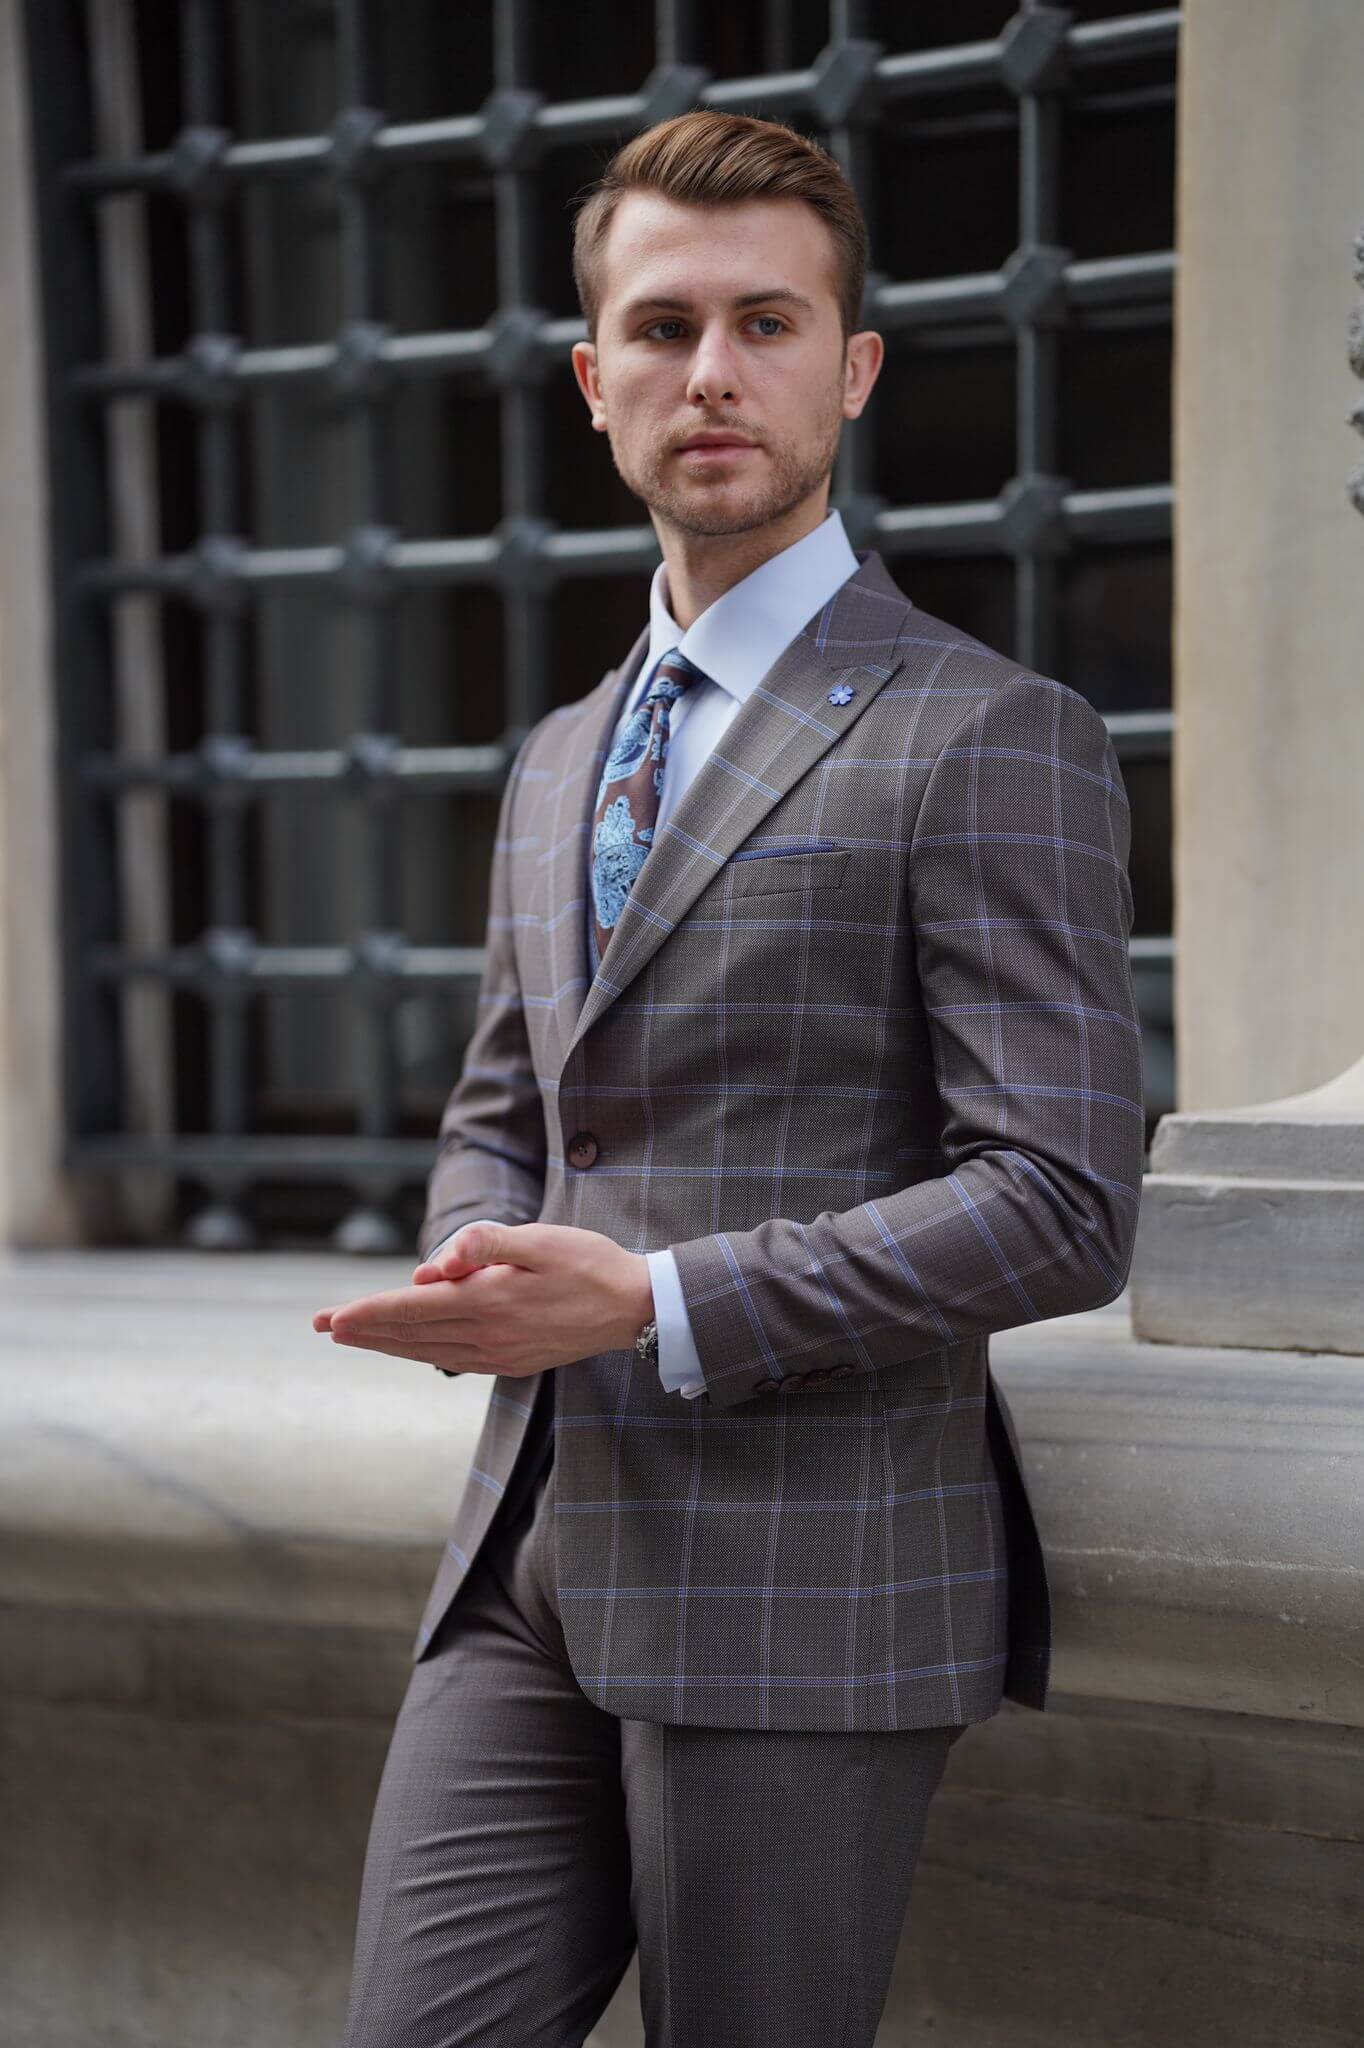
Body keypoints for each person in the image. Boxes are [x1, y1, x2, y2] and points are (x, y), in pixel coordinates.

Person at [316, 107, 1145, 2048]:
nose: (714, 372)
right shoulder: (552, 756)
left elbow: (1062, 1197)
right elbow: (506, 1111)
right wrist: (473, 1270)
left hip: (806, 1587)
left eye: (768, 323)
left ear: (849, 372)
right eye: (665, 326)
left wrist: (662, 1298)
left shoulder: (986, 738)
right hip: (521, 1565)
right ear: (591, 377)